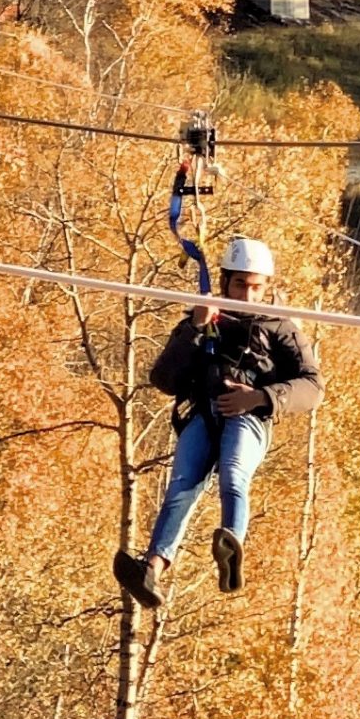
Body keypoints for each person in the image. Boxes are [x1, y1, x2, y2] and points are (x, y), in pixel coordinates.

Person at [113, 237, 323, 607]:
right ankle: (153, 567)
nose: (246, 294)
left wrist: (259, 397)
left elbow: (312, 386)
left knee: (233, 473)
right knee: (182, 484)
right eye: (240, 284)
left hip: (249, 417)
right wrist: (195, 328)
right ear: (225, 281)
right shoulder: (202, 321)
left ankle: (231, 542)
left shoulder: (281, 327)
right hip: (204, 412)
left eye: (256, 287)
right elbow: (164, 378)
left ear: (266, 287)